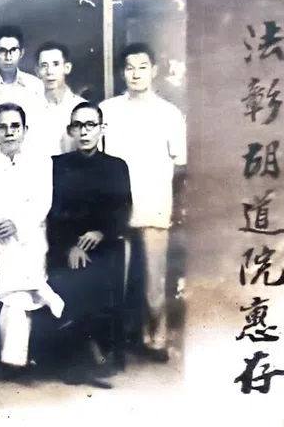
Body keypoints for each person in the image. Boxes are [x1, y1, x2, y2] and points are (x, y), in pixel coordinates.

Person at [99, 43, 186, 363]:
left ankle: (157, 337)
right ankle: (119, 340)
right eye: (130, 67)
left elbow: (180, 162)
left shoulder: (169, 113)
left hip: (154, 204)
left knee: (154, 280)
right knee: (117, 279)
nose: (136, 73)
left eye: (142, 66)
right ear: (122, 72)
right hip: (116, 205)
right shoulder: (107, 110)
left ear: (154, 70)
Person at [0, 103, 64, 379]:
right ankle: (42, 290)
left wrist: (16, 224)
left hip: (29, 236)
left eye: (15, 127)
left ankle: (13, 358)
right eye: (3, 127)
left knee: (15, 289)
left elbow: (41, 204)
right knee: (11, 266)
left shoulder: (41, 162)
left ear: (25, 130)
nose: (9, 132)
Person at [44, 102, 132, 388]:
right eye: (78, 126)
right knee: (73, 276)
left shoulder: (117, 166)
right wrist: (71, 245)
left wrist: (102, 232)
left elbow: (122, 208)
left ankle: (100, 349)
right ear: (70, 130)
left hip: (103, 242)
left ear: (101, 129)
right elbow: (53, 212)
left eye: (90, 125)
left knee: (103, 273)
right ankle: (80, 358)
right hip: (65, 244)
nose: (84, 132)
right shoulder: (57, 165)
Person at [0, 25, 45, 151]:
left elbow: (39, 124)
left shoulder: (35, 86)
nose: (8, 56)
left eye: (13, 50)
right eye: (2, 51)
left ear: (21, 52)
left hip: (28, 153)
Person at [35, 42, 86, 157]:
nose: (49, 72)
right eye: (44, 65)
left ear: (67, 68)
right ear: (37, 71)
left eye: (56, 64)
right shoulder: (29, 108)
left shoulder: (82, 108)